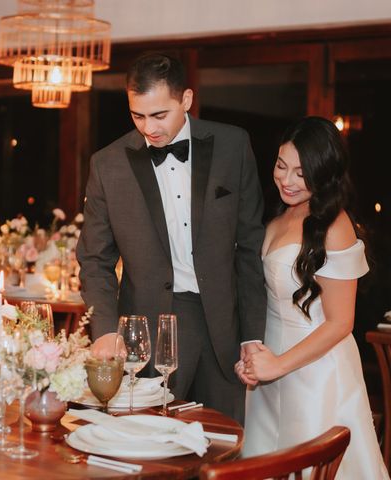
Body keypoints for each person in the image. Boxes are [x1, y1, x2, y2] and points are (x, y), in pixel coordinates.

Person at [76, 53, 267, 423]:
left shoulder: (232, 146)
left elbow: (250, 247)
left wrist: (251, 334)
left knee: (222, 444)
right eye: (137, 115)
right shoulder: (107, 164)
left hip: (222, 326)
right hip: (145, 330)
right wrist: (104, 331)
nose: (149, 128)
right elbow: (94, 259)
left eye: (159, 114)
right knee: (150, 445)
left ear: (187, 100)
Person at [239, 116, 388, 478]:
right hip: (269, 366)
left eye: (301, 172)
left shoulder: (334, 225)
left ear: (324, 172)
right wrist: (252, 355)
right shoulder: (277, 214)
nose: (286, 180)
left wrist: (278, 365)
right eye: (280, 165)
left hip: (316, 373)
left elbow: (341, 322)